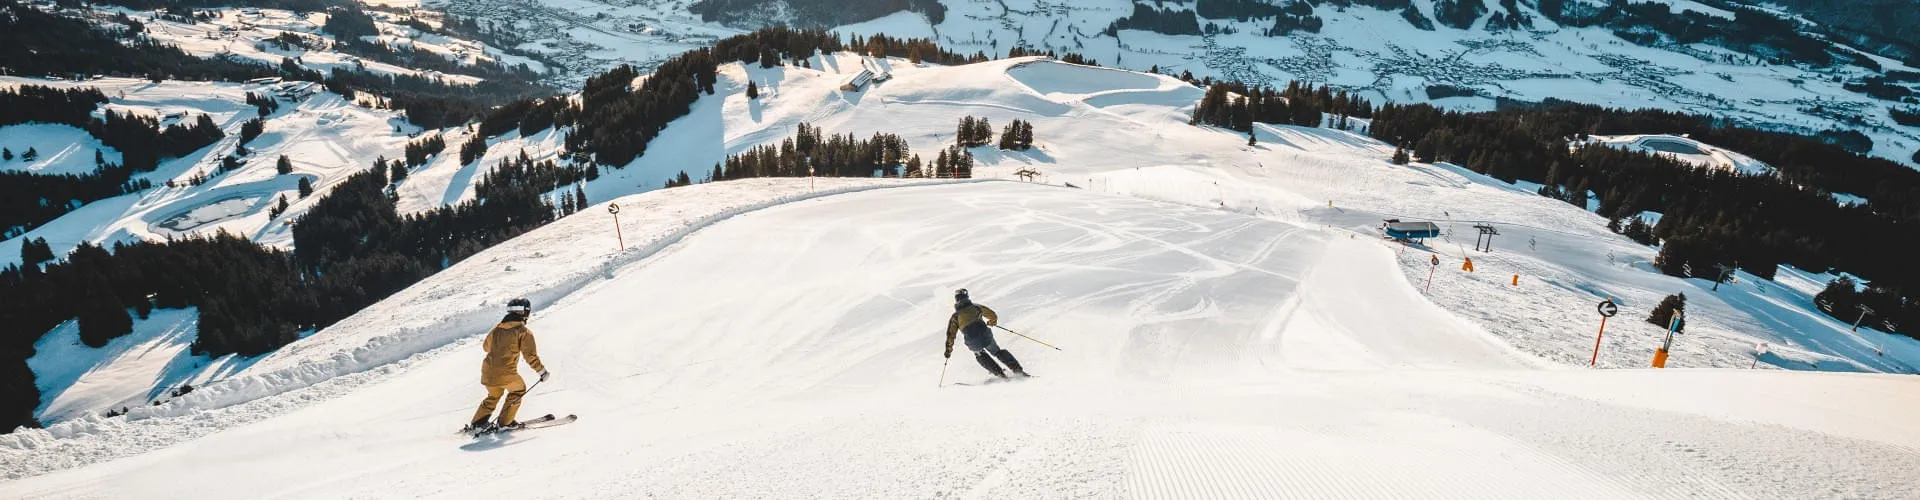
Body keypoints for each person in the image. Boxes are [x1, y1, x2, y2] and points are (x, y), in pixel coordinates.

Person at [466, 298, 549, 433]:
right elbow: (530, 356)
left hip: (487, 371)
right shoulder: (523, 331)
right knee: (518, 390)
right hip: (506, 373)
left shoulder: (497, 328)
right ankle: (505, 422)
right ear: (525, 312)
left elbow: (486, 347)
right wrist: (542, 372)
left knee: (494, 395)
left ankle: (478, 423)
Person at [944, 289, 1026, 378]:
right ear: (967, 297)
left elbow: (951, 335)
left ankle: (1000, 374)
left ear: (956, 300)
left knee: (979, 354)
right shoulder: (976, 307)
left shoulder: (955, 317)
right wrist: (992, 322)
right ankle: (1018, 370)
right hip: (985, 335)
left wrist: (948, 350)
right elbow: (992, 315)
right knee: (997, 351)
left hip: (972, 341)